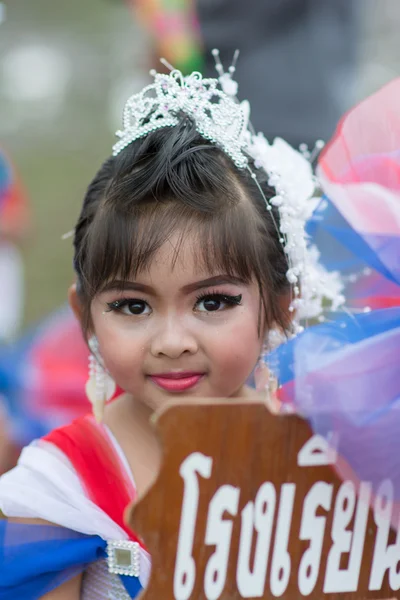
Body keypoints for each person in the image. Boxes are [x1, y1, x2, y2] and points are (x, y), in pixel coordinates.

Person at [0, 60, 341, 598]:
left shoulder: (323, 458)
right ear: (84, 315)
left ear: (281, 306)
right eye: (133, 307)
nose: (172, 340)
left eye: (213, 301)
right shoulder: (61, 492)